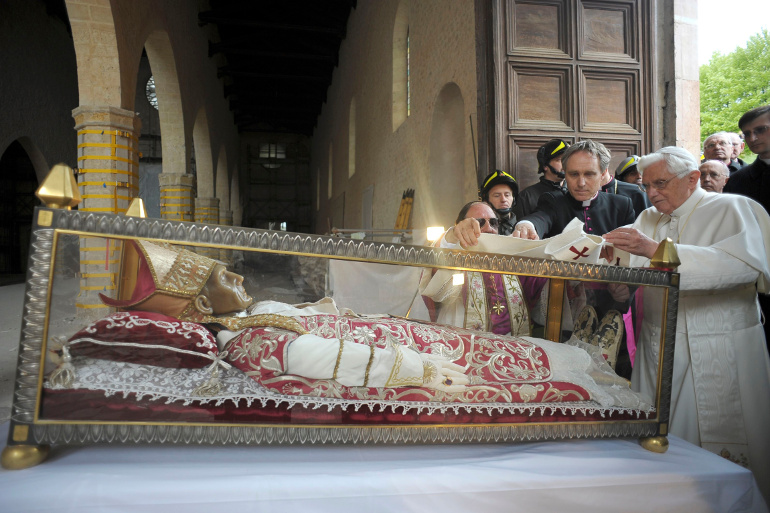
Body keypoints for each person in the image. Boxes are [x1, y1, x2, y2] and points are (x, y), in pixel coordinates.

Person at [95, 239, 647, 412]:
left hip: (420, 339)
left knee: (532, 351)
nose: (237, 273)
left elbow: (321, 325)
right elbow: (335, 363)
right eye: (219, 276)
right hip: (430, 361)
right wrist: (424, 369)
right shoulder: (248, 340)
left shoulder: (248, 318)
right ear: (195, 307)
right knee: (535, 367)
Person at [603, 146, 770, 502]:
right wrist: (619, 282)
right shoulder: (648, 218)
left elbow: (744, 267)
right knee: (654, 447)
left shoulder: (732, 208)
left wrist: (658, 251)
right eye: (647, 185)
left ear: (693, 178)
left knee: (718, 451)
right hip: (658, 346)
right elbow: (624, 261)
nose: (651, 193)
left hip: (718, 345)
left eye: (660, 183)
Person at [419, 201, 531, 336]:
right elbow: (436, 288)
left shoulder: (510, 261)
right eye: (479, 222)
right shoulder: (455, 255)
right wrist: (452, 236)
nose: (489, 228)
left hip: (506, 349)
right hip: (459, 342)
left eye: (493, 222)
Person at [513, 140, 635, 240]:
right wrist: (526, 225)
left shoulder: (622, 205)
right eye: (574, 174)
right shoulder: (553, 201)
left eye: (589, 174)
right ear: (565, 174)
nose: (581, 183)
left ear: (603, 174)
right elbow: (540, 218)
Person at [723, 104, 770, 349]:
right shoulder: (739, 181)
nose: (752, 138)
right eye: (746, 134)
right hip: (757, 280)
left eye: (760, 130)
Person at [514, 139, 568, 219]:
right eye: (559, 160)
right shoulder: (527, 196)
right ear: (545, 165)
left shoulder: (575, 191)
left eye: (566, 160)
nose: (565, 164)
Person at [479, 170, 518, 235]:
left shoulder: (524, 227)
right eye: (497, 196)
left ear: (513, 198)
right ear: (486, 199)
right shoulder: (480, 228)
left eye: (507, 195)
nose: (503, 199)